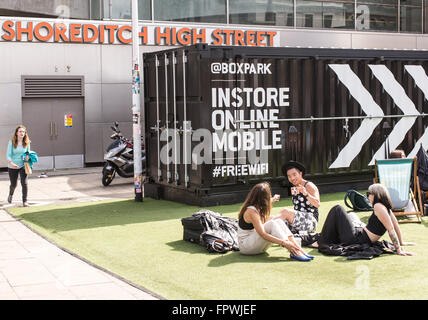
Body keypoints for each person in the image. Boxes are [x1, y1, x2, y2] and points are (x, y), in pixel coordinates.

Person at [315, 183, 415, 256]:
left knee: (338, 209)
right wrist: (401, 243)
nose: (367, 196)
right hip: (361, 235)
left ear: (375, 195)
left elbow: (391, 229)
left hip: (358, 240)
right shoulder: (385, 207)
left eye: (368, 194)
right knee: (351, 215)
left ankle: (322, 240)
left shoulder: (378, 207)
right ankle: (325, 238)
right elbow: (395, 224)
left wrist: (399, 250)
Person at [237, 182, 314, 261]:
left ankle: (298, 249)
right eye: (268, 195)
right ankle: (294, 252)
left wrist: (273, 199)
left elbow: (267, 202)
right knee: (272, 223)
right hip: (246, 247)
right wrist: (284, 243)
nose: (270, 196)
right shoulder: (251, 211)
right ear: (262, 198)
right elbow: (262, 234)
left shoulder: (258, 206)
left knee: (278, 221)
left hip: (256, 246)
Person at [279, 161, 320, 234]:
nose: (292, 178)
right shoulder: (294, 187)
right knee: (279, 223)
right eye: (289, 176)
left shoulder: (309, 186)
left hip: (311, 222)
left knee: (285, 212)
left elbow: (317, 204)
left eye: (294, 174)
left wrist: (306, 193)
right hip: (298, 222)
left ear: (300, 174)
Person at [6, 125, 31, 207]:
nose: (22, 133)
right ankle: (10, 194)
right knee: (14, 184)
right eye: (20, 131)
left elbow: (28, 153)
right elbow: (8, 155)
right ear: (16, 133)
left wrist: (28, 157)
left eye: (23, 131)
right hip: (12, 166)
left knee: (24, 183)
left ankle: (25, 201)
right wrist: (11, 163)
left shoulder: (27, 142)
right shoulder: (11, 142)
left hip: (23, 165)